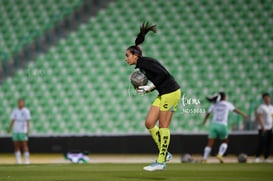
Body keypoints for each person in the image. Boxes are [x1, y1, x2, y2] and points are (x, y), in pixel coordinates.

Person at [125, 22, 181, 171]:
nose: (126, 59)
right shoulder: (143, 64)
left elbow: (164, 74)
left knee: (163, 126)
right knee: (149, 123)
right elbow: (159, 77)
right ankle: (166, 153)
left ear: (135, 56)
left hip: (171, 92)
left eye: (127, 55)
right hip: (164, 92)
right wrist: (149, 89)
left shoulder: (144, 63)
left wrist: (150, 87)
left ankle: (161, 161)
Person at [201, 92, 247, 163]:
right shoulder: (227, 104)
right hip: (223, 125)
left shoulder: (214, 104)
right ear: (225, 97)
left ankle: (204, 159)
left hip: (214, 125)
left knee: (210, 143)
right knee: (225, 141)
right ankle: (220, 154)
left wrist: (204, 121)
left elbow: (208, 113)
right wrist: (243, 114)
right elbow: (235, 110)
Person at [8, 99, 31, 164]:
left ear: (23, 103)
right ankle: (18, 159)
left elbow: (28, 121)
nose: (20, 104)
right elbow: (12, 120)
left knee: (24, 144)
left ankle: (27, 159)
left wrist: (28, 130)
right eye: (19, 103)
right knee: (16, 144)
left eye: (21, 103)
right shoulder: (15, 111)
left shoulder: (26, 111)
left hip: (23, 128)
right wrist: (10, 128)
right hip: (16, 128)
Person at [255, 93, 273, 163]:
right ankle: (257, 157)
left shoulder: (272, 107)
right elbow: (259, 117)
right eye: (266, 98)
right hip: (263, 128)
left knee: (269, 143)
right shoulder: (261, 107)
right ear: (264, 99)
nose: (267, 99)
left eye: (268, 98)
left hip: (270, 128)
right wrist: (263, 126)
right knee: (262, 143)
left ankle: (266, 158)